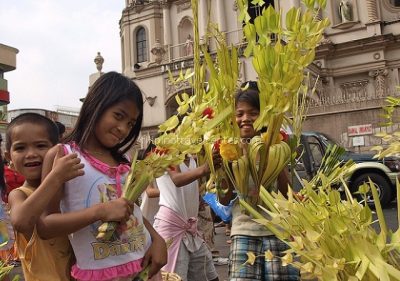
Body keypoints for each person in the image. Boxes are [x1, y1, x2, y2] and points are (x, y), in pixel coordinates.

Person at [37, 72, 167, 281]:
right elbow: (45, 225)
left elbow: (129, 209)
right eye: (118, 116)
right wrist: (99, 211)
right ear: (96, 106)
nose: (123, 129)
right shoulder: (64, 155)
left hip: (144, 266)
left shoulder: (125, 159)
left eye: (131, 123)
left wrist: (157, 238)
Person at [220, 81, 299, 280]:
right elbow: (223, 199)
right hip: (244, 229)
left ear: (264, 117)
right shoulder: (229, 149)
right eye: (239, 114)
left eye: (253, 113)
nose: (245, 119)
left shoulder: (276, 147)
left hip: (277, 230)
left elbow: (286, 194)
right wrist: (225, 166)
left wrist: (275, 158)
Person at [6, 112, 85, 280]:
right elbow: (22, 221)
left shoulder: (68, 191)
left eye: (41, 146)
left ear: (57, 150)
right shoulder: (19, 194)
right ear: (9, 158)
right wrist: (55, 177)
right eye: (20, 148)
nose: (31, 154)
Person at [154, 153, 220, 281]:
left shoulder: (190, 158)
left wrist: (197, 199)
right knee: (174, 278)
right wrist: (204, 169)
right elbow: (177, 179)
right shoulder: (164, 151)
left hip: (191, 230)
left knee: (210, 277)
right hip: (172, 230)